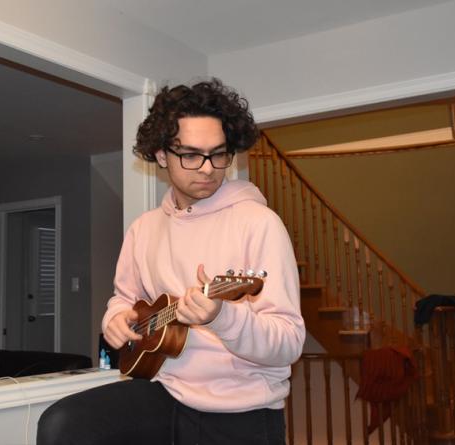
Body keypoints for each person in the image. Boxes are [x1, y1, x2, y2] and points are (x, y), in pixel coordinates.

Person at [37, 78, 305, 444]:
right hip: (165, 390)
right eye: (191, 155)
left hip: (241, 410)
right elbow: (124, 298)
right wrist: (115, 319)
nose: (209, 168)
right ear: (162, 156)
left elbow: (289, 342)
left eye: (219, 153)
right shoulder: (144, 229)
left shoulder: (259, 224)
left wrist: (222, 316)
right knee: (63, 424)